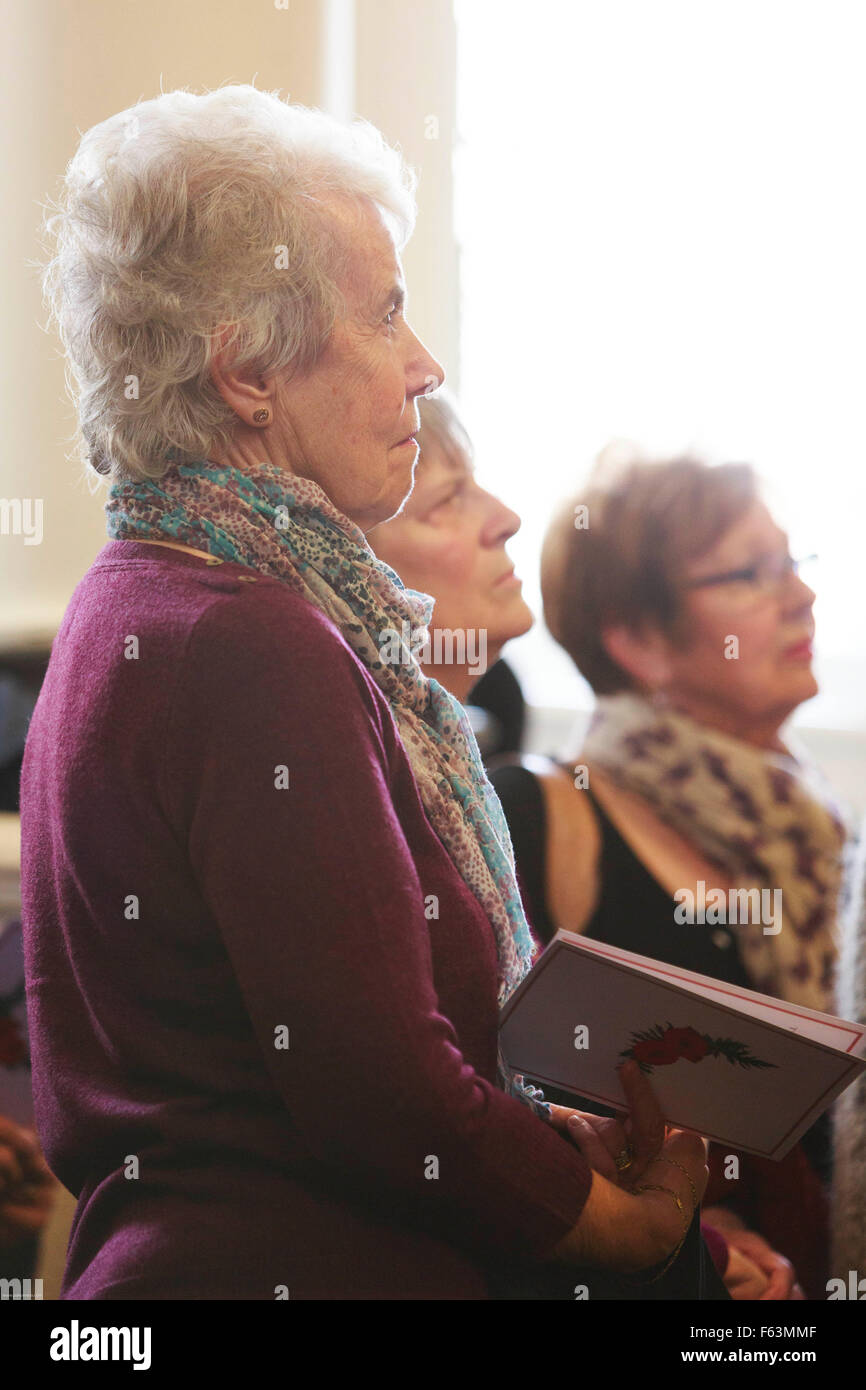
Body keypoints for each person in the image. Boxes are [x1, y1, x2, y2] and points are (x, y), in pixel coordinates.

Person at [20, 85, 715, 1300]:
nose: (421, 363)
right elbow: (380, 1093)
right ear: (245, 370)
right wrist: (633, 1229)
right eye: (384, 314)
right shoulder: (255, 640)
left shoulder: (135, 594)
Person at [490, 450, 848, 1298]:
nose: (800, 594)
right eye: (750, 574)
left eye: (793, 563)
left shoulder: (814, 832)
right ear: (636, 639)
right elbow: (505, 1113)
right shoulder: (540, 813)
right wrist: (698, 1233)